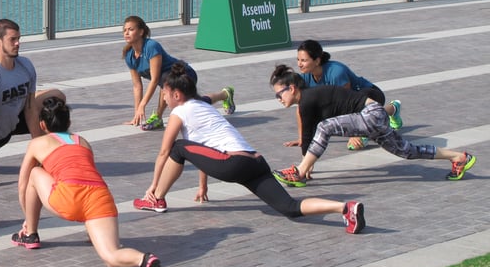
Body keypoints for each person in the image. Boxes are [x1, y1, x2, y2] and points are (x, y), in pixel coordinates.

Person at [135, 64, 365, 234]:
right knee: (290, 208)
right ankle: (345, 209)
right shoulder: (203, 106)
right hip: (255, 161)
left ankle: (157, 199)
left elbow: (165, 153)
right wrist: (203, 185)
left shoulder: (179, 112)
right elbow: (205, 147)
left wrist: (153, 187)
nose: (163, 98)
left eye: (164, 93)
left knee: (177, 147)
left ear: (176, 94)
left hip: (232, 163)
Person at [12, 96, 162, 267]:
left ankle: (31, 234)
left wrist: (26, 219)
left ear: (42, 125)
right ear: (69, 123)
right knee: (111, 256)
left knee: (34, 173)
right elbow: (83, 173)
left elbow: (23, 185)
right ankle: (142, 259)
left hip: (68, 197)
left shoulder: (38, 143)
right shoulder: (82, 141)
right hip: (99, 196)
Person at [269, 65, 477, 186]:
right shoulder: (309, 98)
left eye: (279, 94)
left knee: (325, 127)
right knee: (407, 151)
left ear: (292, 88)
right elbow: (309, 136)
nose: (278, 99)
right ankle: (458, 157)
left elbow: (309, 134)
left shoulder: (307, 100)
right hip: (374, 115)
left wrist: (305, 167)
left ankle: (298, 173)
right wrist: (308, 163)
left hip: (370, 114)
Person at [0, 18, 65, 188]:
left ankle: (54, 155)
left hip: (11, 122)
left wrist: (41, 154)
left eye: (19, 39)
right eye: (12, 39)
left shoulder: (25, 65)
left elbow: (31, 109)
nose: (17, 43)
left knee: (56, 99)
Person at [122, 15, 235, 129]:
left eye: (131, 29)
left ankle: (158, 117)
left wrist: (143, 104)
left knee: (193, 105)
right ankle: (225, 94)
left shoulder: (151, 47)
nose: (126, 33)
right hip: (167, 81)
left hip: (184, 74)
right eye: (125, 30)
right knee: (194, 101)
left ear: (141, 32)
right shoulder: (129, 55)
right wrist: (137, 113)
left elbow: (155, 79)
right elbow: (137, 86)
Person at [296, 38, 400, 151]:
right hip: (347, 104)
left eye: (304, 60)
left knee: (363, 131)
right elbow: (302, 109)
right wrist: (302, 138)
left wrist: (353, 134)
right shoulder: (304, 76)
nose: (299, 64)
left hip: (368, 95)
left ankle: (387, 112)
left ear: (317, 61)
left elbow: (348, 103)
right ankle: (393, 109)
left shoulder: (336, 72)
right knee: (373, 116)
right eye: (298, 60)